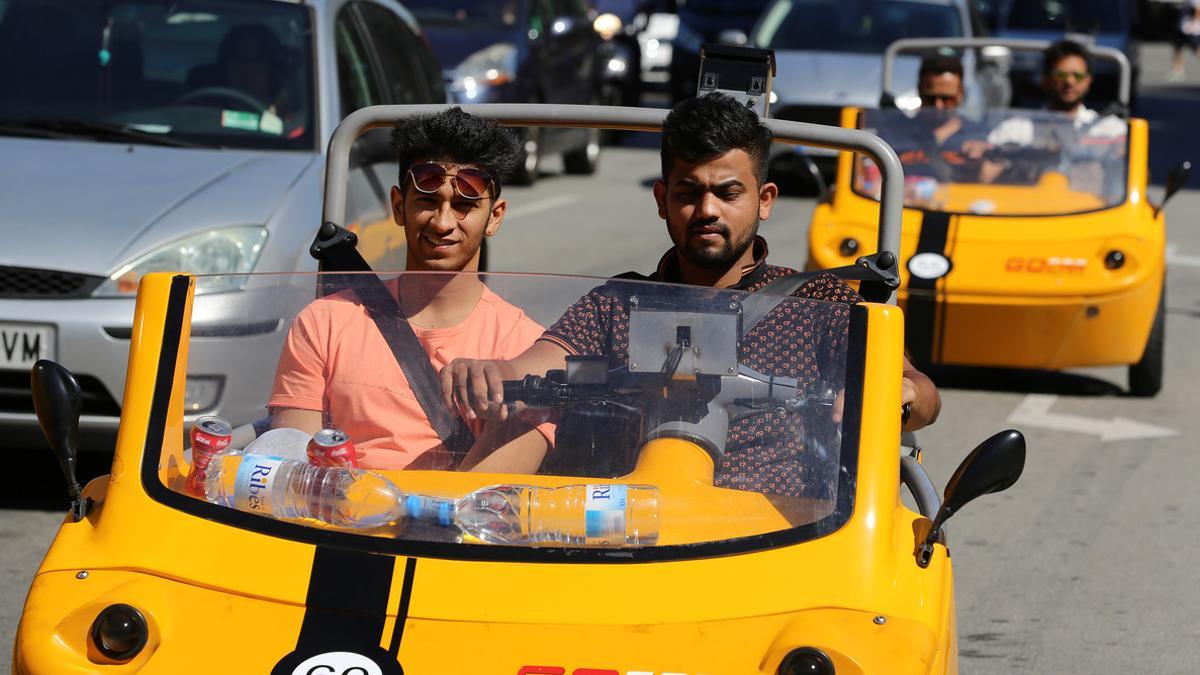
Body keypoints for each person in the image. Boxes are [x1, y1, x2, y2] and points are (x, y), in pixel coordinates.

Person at [440, 94, 942, 491]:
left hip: (782, 545)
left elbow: (917, 393)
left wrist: (898, 393)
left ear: (764, 200)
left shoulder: (820, 304)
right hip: (628, 538)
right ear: (663, 200)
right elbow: (538, 363)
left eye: (727, 193)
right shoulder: (617, 303)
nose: (707, 210)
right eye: (688, 192)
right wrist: (496, 372)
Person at [268, 108, 551, 471]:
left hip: (453, 524)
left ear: (494, 216)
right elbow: (291, 469)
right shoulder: (323, 324)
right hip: (338, 525)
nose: (443, 222)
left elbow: (487, 498)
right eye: (428, 202)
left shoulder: (527, 351)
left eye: (464, 206)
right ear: (399, 206)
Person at [985, 40, 1126, 194]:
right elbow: (985, 176)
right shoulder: (1014, 130)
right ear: (1044, 80)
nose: (1069, 82)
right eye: (1061, 74)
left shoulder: (1110, 129)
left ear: (1088, 81)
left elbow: (1136, 178)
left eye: (1077, 76)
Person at [1170, 0, 1200, 82]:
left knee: (1196, 50)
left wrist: (1194, 24)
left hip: (1192, 29)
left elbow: (1198, 10)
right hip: (1182, 28)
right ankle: (1178, 70)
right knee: (1178, 48)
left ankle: (1178, 70)